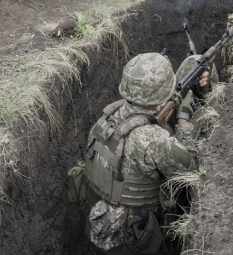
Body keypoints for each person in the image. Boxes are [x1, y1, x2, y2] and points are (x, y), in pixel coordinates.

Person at [82, 52, 213, 255]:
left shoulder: (106, 119)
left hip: (100, 223)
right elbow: (192, 169)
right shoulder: (153, 140)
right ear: (161, 93)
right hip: (137, 236)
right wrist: (183, 120)